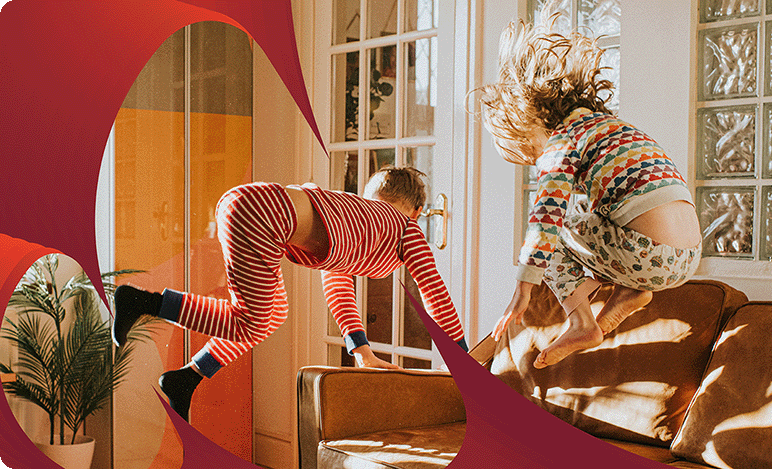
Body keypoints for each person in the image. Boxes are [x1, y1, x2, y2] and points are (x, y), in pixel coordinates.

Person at [112, 166, 468, 421]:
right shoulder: (404, 226)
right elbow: (433, 291)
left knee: (271, 315)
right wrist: (462, 360)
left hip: (247, 207)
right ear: (418, 212)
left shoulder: (359, 221)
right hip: (263, 215)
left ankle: (187, 376)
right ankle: (143, 301)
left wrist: (361, 351)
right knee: (251, 321)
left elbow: (338, 285)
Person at [480, 2, 702, 369]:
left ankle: (582, 322)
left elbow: (545, 217)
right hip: (689, 256)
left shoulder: (562, 141)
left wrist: (524, 285)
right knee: (591, 209)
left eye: (532, 153)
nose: (539, 161)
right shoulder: (612, 128)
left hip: (647, 254)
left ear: (530, 119)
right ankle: (631, 291)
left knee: (557, 224)